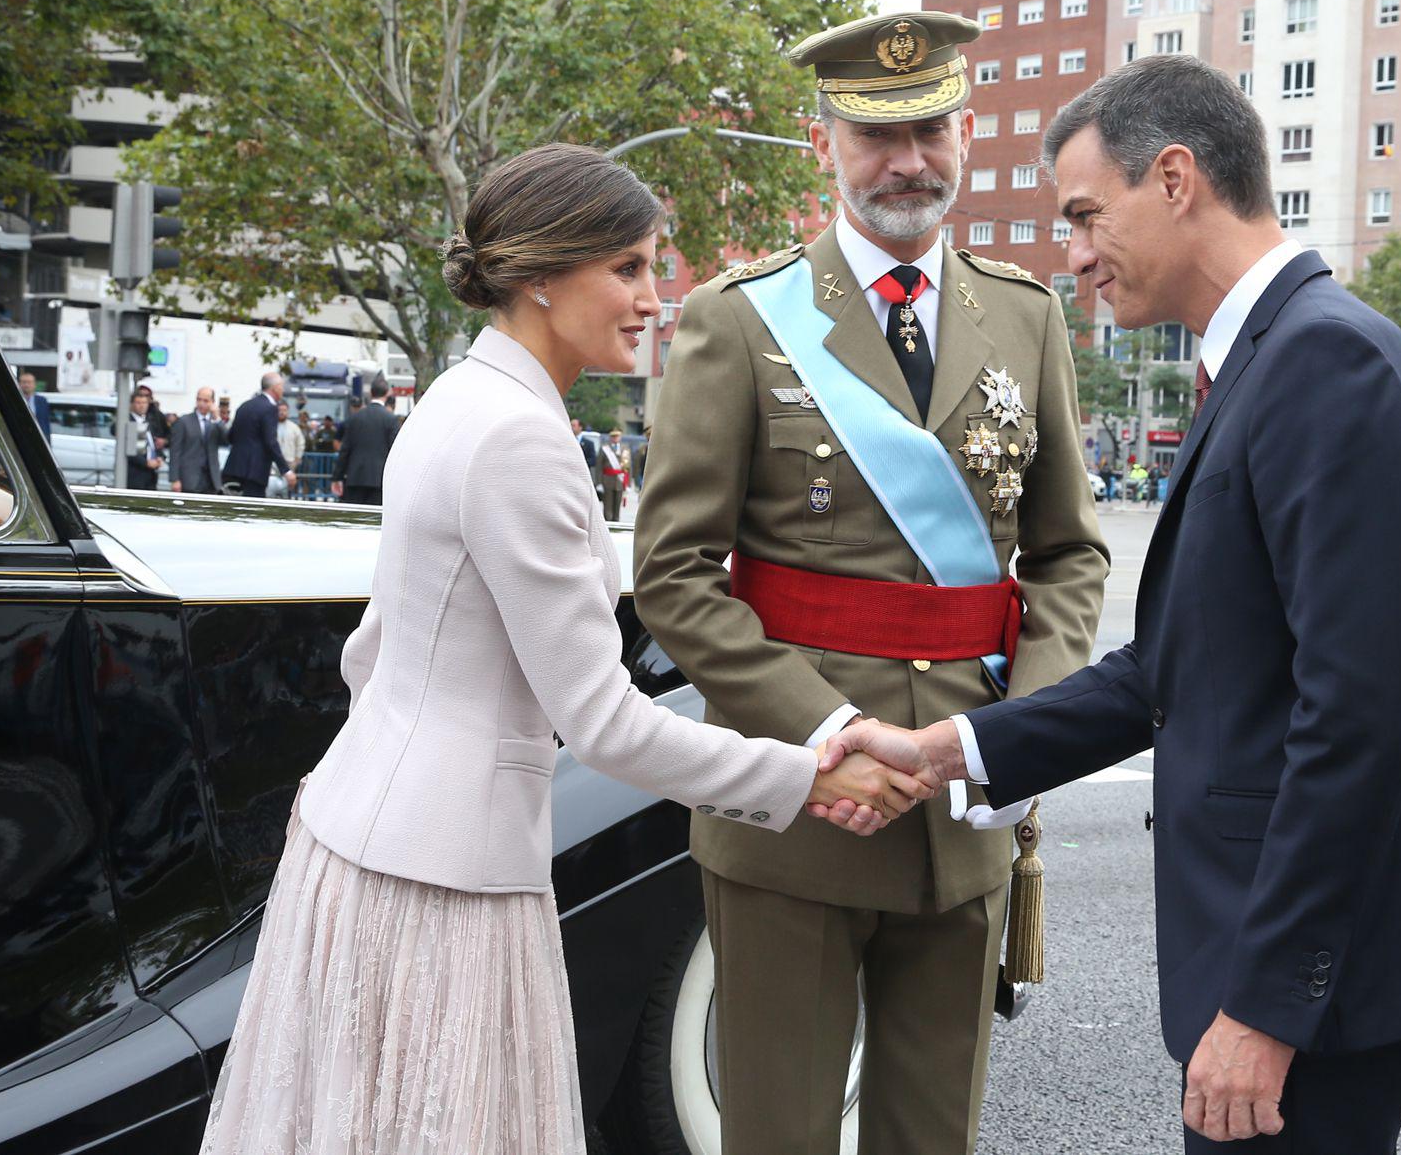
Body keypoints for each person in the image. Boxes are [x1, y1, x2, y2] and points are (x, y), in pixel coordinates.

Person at [827, 53, 1401, 1153]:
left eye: (1086, 214)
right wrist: (948, 750)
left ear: (1176, 178)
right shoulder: (1269, 361)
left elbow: (1358, 720)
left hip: (1309, 992)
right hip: (1276, 965)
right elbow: (1172, 669)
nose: (1074, 254)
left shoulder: (1326, 366)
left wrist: (1269, 1007)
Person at [197, 143, 924, 1155]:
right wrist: (803, 776)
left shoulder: (458, 399)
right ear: (540, 274)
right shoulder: (520, 440)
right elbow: (604, 721)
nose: (651, 297)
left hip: (365, 840)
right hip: (444, 876)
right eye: (627, 268)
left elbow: (372, 650)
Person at [632, 10, 1110, 1155]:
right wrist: (832, 730)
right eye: (875, 134)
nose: (906, 162)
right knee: (780, 1135)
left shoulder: (1026, 316)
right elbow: (675, 572)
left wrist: (1019, 737)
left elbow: (1068, 555)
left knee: (928, 1136)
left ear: (964, 132)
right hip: (797, 800)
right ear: (823, 145)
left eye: (930, 130)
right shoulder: (737, 321)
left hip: (963, 803)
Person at [222, 372, 298, 498]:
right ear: (275, 387)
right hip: (255, 471)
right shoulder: (270, 408)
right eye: (282, 386)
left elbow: (231, 437)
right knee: (252, 511)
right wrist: (286, 470)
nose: (283, 390)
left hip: (234, 468)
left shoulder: (244, 406)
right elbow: (270, 442)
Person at [332, 377, 398, 506]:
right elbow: (394, 452)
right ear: (387, 394)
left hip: (355, 478)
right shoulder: (391, 419)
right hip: (379, 479)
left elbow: (345, 450)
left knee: (353, 520)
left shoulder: (355, 418)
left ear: (371, 393)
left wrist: (337, 477)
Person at [168, 387, 228, 494]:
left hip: (211, 479)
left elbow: (226, 440)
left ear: (212, 402)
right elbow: (175, 451)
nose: (201, 404)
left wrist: (218, 419)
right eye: (199, 400)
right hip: (189, 478)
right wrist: (174, 479)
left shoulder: (215, 423)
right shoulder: (183, 421)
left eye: (205, 401)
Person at [124, 389, 164, 490]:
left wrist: (160, 456)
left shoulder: (148, 421)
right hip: (136, 473)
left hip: (151, 473)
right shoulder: (130, 421)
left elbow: (153, 443)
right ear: (132, 404)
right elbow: (131, 450)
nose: (142, 406)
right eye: (138, 403)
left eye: (144, 403)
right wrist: (146, 463)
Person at [269, 400, 307, 498]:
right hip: (272, 465)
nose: (282, 412)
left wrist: (297, 459)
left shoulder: (294, 428)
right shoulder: (270, 426)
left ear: (288, 411)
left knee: (286, 494)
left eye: (284, 410)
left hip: (289, 464)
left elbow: (300, 444)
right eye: (280, 410)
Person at [596, 428, 628, 521]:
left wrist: (628, 483)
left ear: (620, 437)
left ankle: (616, 523)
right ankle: (608, 525)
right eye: (613, 436)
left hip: (620, 480)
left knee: (617, 506)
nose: (615, 438)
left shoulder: (624, 448)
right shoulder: (604, 448)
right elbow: (599, 467)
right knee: (608, 506)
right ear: (610, 437)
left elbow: (628, 467)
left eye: (617, 436)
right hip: (607, 480)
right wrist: (599, 483)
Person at [18, 370, 51, 437]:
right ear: (19, 384)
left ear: (34, 384)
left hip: (38, 438)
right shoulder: (15, 399)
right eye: (24, 382)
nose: (26, 385)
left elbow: (46, 423)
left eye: (29, 382)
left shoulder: (42, 401)